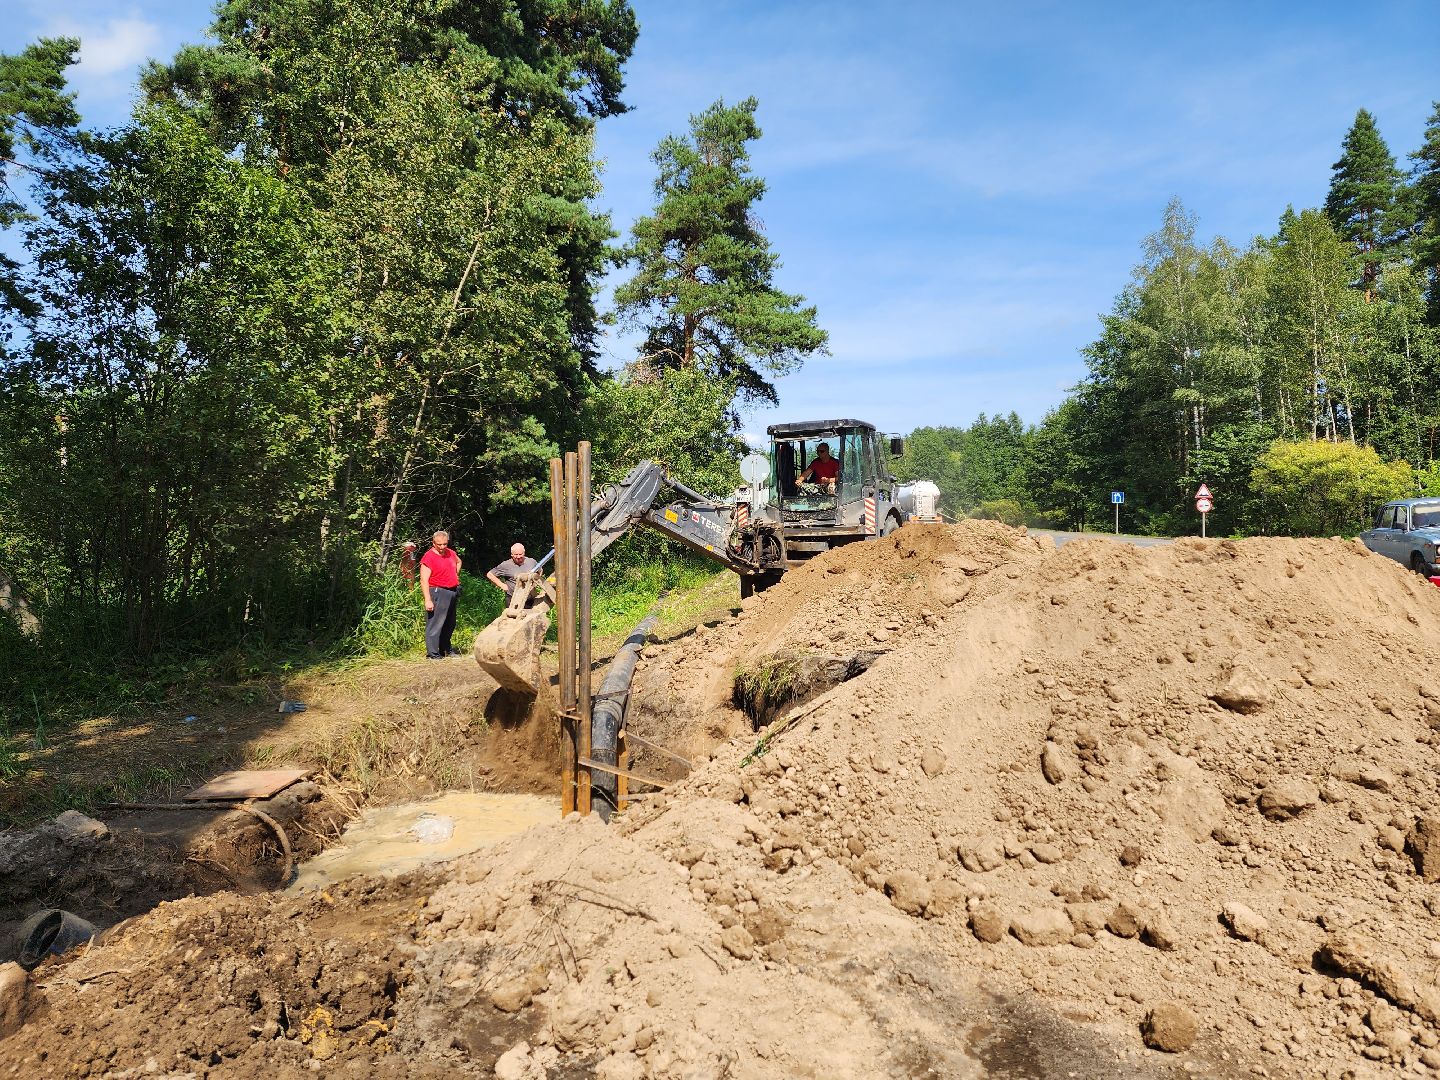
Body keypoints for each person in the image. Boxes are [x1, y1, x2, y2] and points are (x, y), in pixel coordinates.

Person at [419, 530, 463, 659]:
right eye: (439, 544)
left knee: (450, 623)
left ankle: (446, 649)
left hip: (452, 591)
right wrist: (428, 599)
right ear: (433, 543)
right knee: (435, 624)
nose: (443, 547)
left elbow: (458, 562)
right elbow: (423, 580)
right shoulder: (429, 557)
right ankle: (432, 654)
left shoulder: (451, 553)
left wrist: (454, 574)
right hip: (437, 591)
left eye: (445, 544)